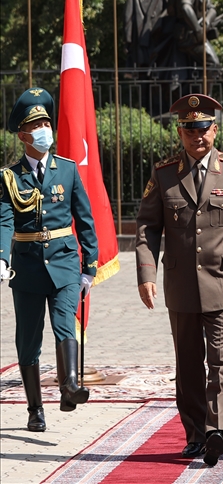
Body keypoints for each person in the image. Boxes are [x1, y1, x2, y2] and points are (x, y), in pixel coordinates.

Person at [134, 93, 223, 467]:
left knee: (220, 362)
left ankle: (216, 431)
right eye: (190, 129)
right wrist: (146, 274)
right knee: (188, 365)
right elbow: (146, 228)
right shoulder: (164, 173)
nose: (197, 136)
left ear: (215, 129)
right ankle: (194, 434)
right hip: (181, 287)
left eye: (203, 128)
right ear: (180, 131)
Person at [0, 88, 98, 433]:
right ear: (23, 134)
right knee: (28, 338)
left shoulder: (67, 170)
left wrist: (90, 267)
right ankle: (34, 407)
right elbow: (4, 220)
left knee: (64, 324)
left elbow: (84, 219)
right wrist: (1, 258)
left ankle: (69, 385)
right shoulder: (9, 177)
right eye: (36, 125)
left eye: (46, 122)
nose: (44, 130)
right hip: (26, 266)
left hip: (65, 262)